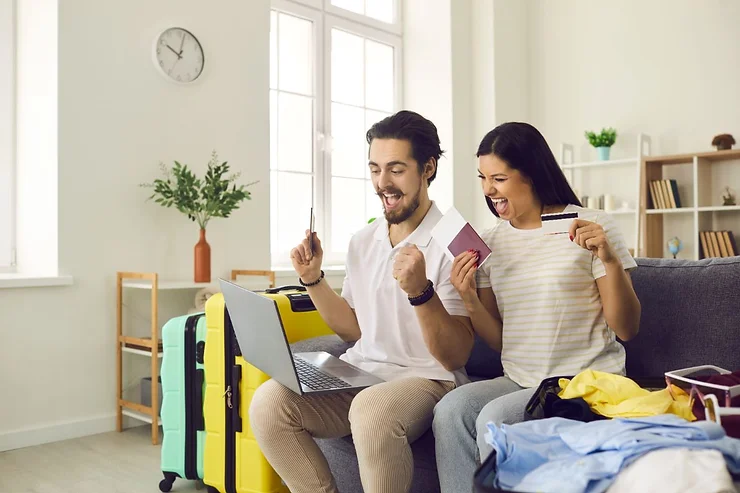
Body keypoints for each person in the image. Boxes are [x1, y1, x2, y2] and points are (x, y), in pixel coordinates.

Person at [249, 110, 475, 493]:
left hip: (426, 377)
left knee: (371, 413)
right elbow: (354, 328)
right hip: (364, 370)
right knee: (269, 402)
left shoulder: (457, 240)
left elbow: (455, 357)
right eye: (375, 169)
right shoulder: (362, 241)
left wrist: (421, 292)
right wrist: (313, 279)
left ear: (428, 167)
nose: (382, 183)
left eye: (396, 170)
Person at [432, 122, 642, 493]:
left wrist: (609, 260)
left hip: (581, 381)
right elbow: (499, 340)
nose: (487, 190)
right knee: (451, 410)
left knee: (496, 420)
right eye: (482, 178)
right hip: (519, 380)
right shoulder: (489, 241)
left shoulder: (591, 225)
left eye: (498, 178)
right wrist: (467, 298)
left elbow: (626, 328)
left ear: (530, 174)